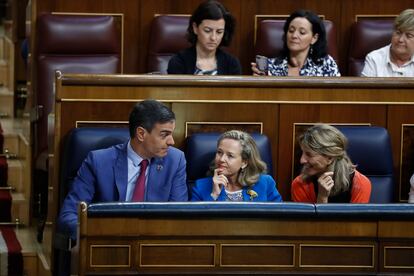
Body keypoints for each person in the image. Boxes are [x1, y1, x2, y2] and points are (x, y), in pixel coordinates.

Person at [58, 100, 188, 240]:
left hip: (154, 247)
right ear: (141, 134)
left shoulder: (175, 160)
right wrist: (99, 236)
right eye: (164, 134)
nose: (171, 142)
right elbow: (69, 216)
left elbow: (179, 218)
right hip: (107, 246)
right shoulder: (98, 162)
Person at [191, 130, 282, 201]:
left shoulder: (265, 183)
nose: (222, 159)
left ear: (244, 162)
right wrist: (214, 196)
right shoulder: (201, 186)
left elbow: (280, 218)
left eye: (230, 155)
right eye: (219, 152)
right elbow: (194, 223)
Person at [291, 124, 371, 203]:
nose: (302, 160)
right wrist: (322, 197)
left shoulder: (360, 184)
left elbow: (356, 216)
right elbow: (308, 217)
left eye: (309, 154)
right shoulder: (300, 184)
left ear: (330, 158)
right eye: (302, 153)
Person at [251, 10, 340, 76]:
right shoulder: (270, 67)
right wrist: (260, 79)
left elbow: (337, 95)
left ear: (314, 38)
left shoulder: (326, 64)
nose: (294, 35)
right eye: (291, 30)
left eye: (302, 32)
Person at [167, 0, 241, 75]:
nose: (213, 38)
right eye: (207, 31)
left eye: (219, 32)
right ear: (195, 28)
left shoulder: (232, 64)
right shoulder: (179, 62)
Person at [361, 9, 414, 77]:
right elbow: (365, 87)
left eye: (408, 36)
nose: (400, 40)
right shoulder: (374, 59)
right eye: (398, 33)